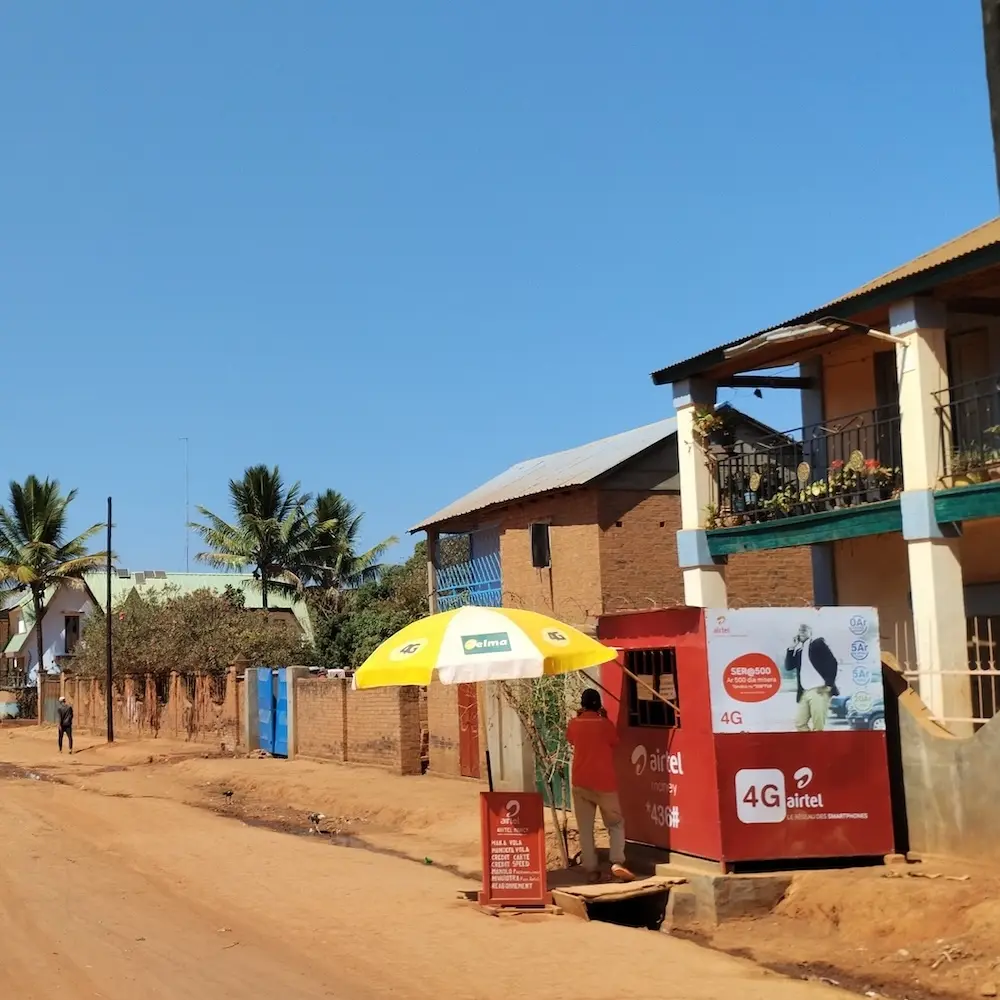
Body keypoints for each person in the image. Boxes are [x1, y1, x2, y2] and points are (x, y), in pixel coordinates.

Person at [565, 688, 634, 883]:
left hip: (580, 782)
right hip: (605, 783)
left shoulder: (574, 724)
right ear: (599, 705)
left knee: (585, 828)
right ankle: (617, 862)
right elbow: (614, 741)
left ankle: (591, 868)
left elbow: (570, 739)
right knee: (615, 823)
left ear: (582, 704)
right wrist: (603, 718)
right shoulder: (605, 724)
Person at [784, 624, 839, 732]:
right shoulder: (799, 652)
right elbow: (789, 666)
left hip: (819, 690)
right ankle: (810, 745)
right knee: (800, 724)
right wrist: (791, 648)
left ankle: (819, 748)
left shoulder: (817, 644)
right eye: (800, 630)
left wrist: (828, 684)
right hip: (804, 692)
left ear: (811, 633)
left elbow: (832, 662)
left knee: (818, 727)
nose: (802, 631)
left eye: (805, 630)